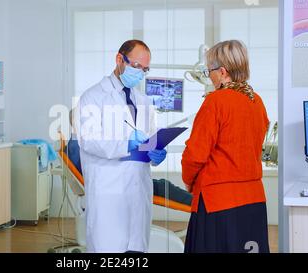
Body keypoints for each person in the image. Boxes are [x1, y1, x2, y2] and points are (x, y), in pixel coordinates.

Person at [75, 40, 167, 253]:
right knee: (108, 250)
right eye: (136, 67)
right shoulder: (92, 97)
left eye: (145, 69)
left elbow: (151, 138)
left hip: (138, 190)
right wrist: (126, 143)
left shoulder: (143, 101)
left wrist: (157, 152)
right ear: (119, 59)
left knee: (135, 251)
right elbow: (88, 140)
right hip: (108, 192)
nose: (140, 73)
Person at [181, 40, 270, 253]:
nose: (208, 76)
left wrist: (188, 181)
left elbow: (195, 154)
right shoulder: (257, 102)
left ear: (222, 72)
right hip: (254, 201)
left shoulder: (216, 102)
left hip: (218, 204)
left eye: (208, 70)